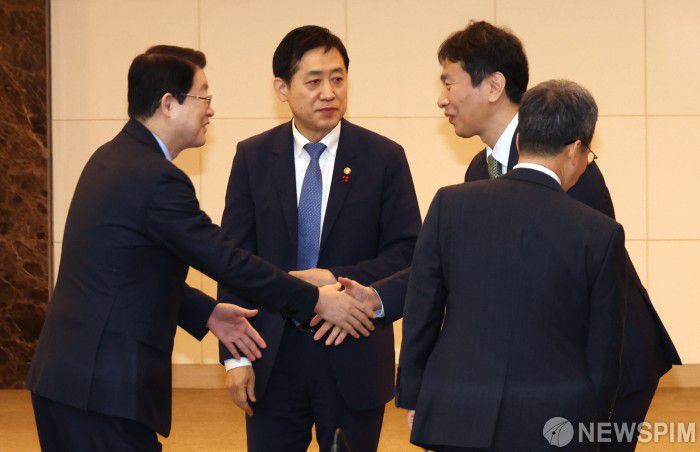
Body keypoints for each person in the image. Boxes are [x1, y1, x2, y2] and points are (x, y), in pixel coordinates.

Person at [349, 21, 679, 450]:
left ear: (493, 86)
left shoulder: (570, 164)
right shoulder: (478, 169)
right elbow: (454, 264)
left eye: (449, 82)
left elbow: (583, 290)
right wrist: (379, 298)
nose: (441, 99)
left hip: (606, 370)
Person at [26, 45, 375, 451]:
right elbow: (226, 259)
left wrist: (206, 312)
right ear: (168, 105)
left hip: (74, 380)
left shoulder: (112, 158)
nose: (211, 110)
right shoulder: (155, 178)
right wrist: (314, 300)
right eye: (203, 97)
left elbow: (130, 271)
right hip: (100, 388)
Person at [217, 26, 421, 452]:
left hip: (353, 348)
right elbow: (234, 258)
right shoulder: (253, 157)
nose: (329, 93)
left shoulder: (383, 157)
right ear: (282, 88)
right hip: (272, 353)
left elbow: (408, 254)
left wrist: (332, 277)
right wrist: (235, 357)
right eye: (313, 81)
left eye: (338, 78)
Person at [397, 79, 627, 451]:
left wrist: (415, 395)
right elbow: (603, 349)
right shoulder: (599, 233)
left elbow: (421, 308)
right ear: (575, 150)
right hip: (553, 425)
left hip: (455, 415)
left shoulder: (450, 206)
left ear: (520, 141)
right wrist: (594, 423)